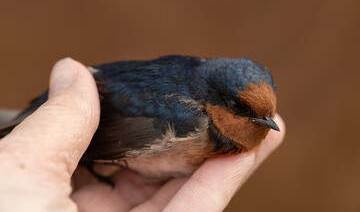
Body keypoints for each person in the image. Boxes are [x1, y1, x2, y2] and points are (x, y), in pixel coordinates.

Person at [0, 58, 285, 212]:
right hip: (95, 107)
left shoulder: (204, 76)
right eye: (240, 109)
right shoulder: (191, 119)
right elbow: (111, 124)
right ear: (215, 100)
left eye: (265, 116)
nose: (263, 123)